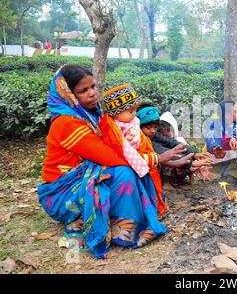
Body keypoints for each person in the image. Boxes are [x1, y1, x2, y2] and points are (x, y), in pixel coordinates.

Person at [37, 66, 166, 259]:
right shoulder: (67, 123)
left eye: (93, 87)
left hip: (80, 179)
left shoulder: (91, 114)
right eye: (83, 91)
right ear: (68, 95)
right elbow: (110, 156)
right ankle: (121, 230)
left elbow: (121, 145)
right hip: (61, 195)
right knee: (124, 171)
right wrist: (155, 159)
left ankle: (123, 220)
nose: (92, 93)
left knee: (128, 168)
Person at [99, 84, 187, 215]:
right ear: (116, 112)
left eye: (135, 110)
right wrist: (154, 159)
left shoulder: (133, 122)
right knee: (138, 193)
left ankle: (151, 208)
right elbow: (125, 151)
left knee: (147, 189)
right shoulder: (113, 129)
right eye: (130, 111)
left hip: (142, 161)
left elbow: (148, 143)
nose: (134, 114)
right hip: (132, 164)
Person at [137, 106, 214, 187]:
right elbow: (163, 151)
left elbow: (172, 142)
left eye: (155, 127)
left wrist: (195, 154)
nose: (153, 131)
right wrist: (191, 163)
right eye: (148, 128)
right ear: (139, 127)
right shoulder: (140, 140)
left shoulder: (155, 135)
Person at [204, 100, 237, 181]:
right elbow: (211, 135)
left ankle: (232, 173)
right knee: (214, 175)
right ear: (227, 115)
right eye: (236, 112)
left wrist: (233, 137)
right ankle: (214, 174)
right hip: (217, 152)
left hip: (232, 154)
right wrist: (216, 146)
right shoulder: (214, 122)